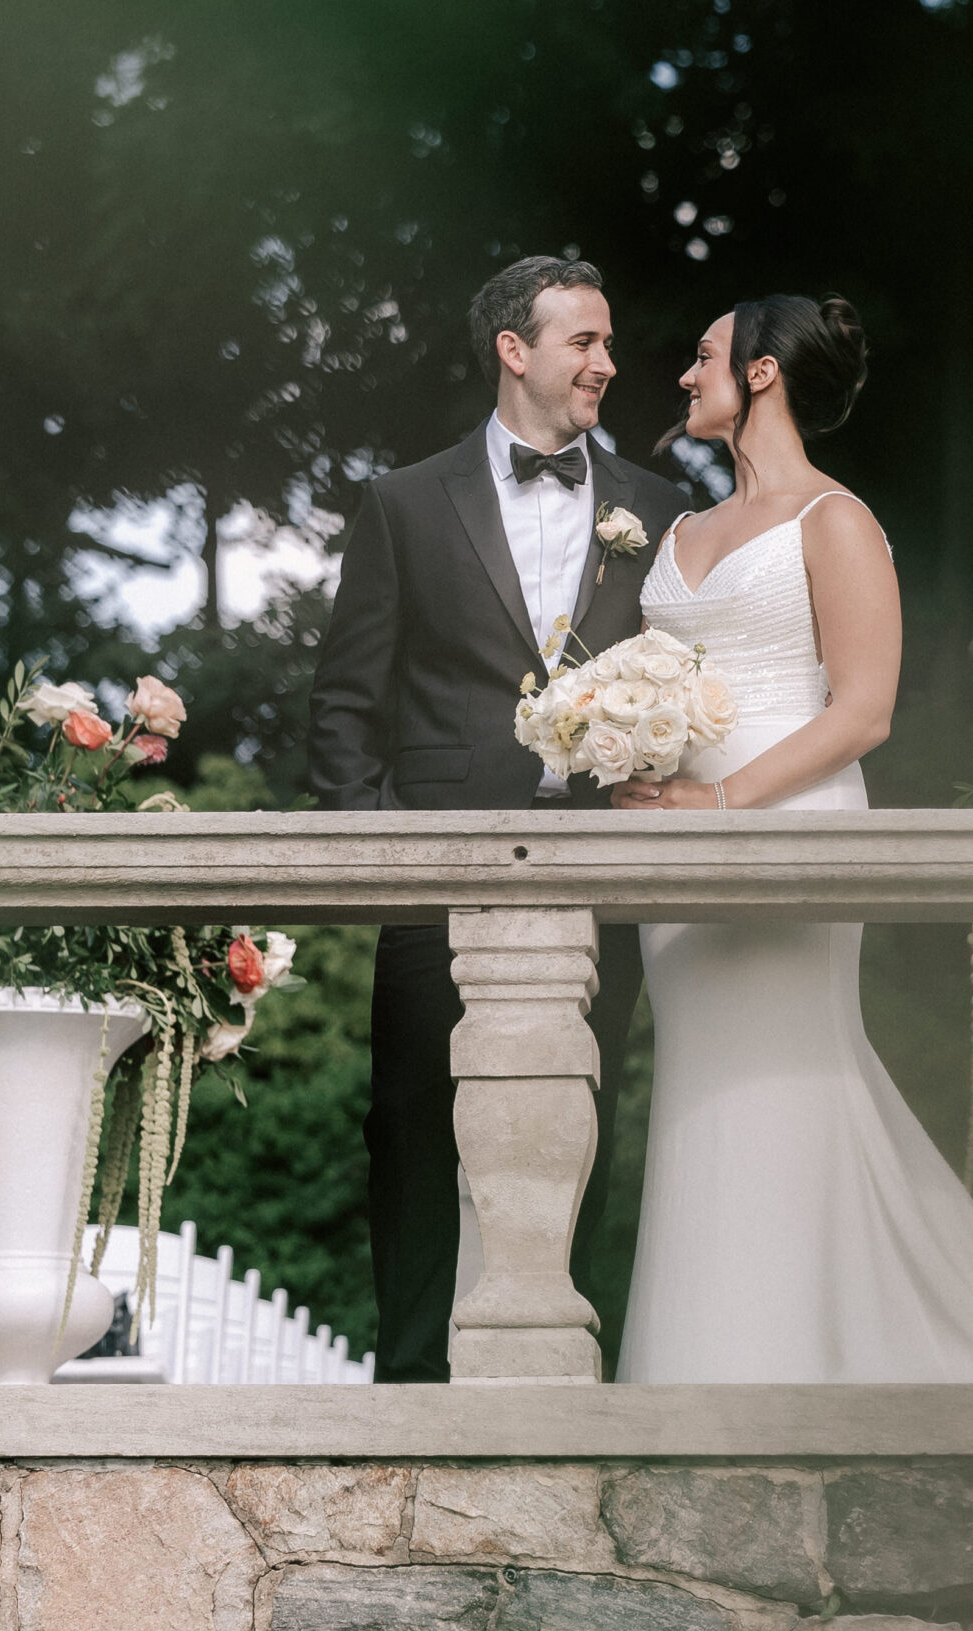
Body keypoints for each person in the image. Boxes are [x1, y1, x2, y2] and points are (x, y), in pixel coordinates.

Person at [607, 294, 973, 1382]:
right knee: (698, 1079)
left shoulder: (835, 521)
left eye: (703, 358)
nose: (684, 377)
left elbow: (863, 710)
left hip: (783, 814)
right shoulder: (684, 532)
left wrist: (726, 802)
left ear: (763, 373)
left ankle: (784, 1365)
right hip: (677, 840)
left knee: (784, 1073)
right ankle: (698, 1366)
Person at [306, 256, 690, 1382]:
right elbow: (346, 699)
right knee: (418, 1130)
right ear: (513, 351)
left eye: (608, 343)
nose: (608, 364)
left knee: (578, 1121)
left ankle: (560, 1373)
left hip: (598, 869)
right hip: (438, 862)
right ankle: (414, 1384)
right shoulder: (402, 503)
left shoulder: (657, 509)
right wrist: (379, 849)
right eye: (584, 342)